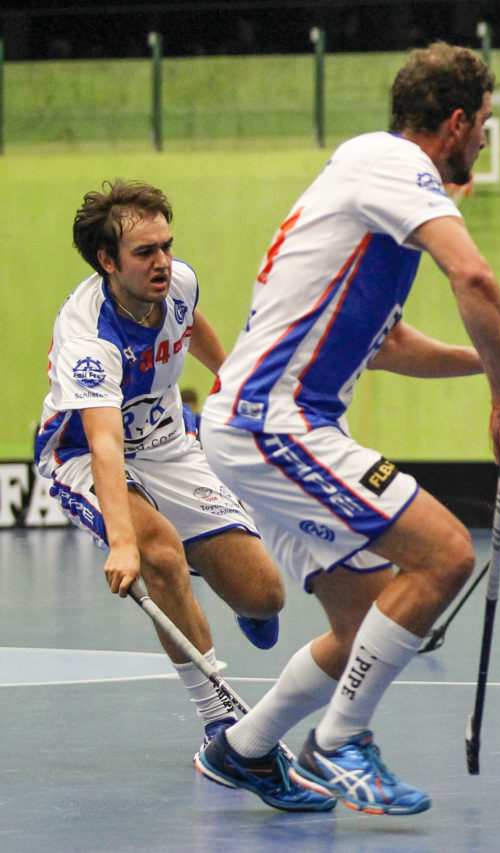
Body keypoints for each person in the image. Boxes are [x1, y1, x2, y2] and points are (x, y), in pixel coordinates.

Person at [195, 42, 500, 815]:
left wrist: (497, 360)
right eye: (485, 126)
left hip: (262, 421)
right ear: (458, 122)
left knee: (367, 620)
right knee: (443, 554)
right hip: (276, 419)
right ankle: (340, 744)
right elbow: (473, 276)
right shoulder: (396, 167)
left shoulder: (369, 188)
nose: (485, 143)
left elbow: (390, 346)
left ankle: (243, 749)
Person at [33, 179, 294, 773]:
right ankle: (219, 722)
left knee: (264, 595)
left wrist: (232, 383)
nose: (163, 262)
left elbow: (189, 321)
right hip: (85, 456)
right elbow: (104, 441)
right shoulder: (88, 337)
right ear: (107, 261)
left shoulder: (176, 281)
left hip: (171, 445)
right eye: (145, 253)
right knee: (160, 555)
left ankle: (218, 575)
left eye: (167, 246)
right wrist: (123, 544)